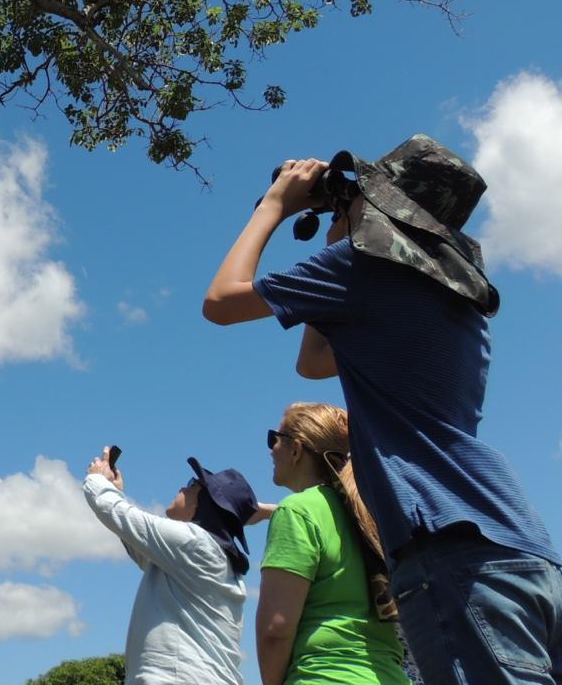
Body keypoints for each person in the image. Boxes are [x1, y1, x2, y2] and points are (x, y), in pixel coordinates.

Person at [203, 135, 562, 684]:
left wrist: (275, 206)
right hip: (522, 546)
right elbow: (315, 362)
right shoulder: (461, 299)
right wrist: (343, 240)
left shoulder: (362, 272)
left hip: (449, 547)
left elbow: (221, 302)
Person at [84, 447, 272, 685]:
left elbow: (115, 512)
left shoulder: (194, 543)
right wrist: (116, 492)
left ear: (206, 503)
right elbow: (139, 543)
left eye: (193, 484)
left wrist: (97, 479)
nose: (182, 487)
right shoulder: (206, 556)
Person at [258, 402, 409, 685]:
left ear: (296, 449)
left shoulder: (297, 511)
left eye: (274, 439)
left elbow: (275, 630)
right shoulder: (374, 515)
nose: (270, 449)